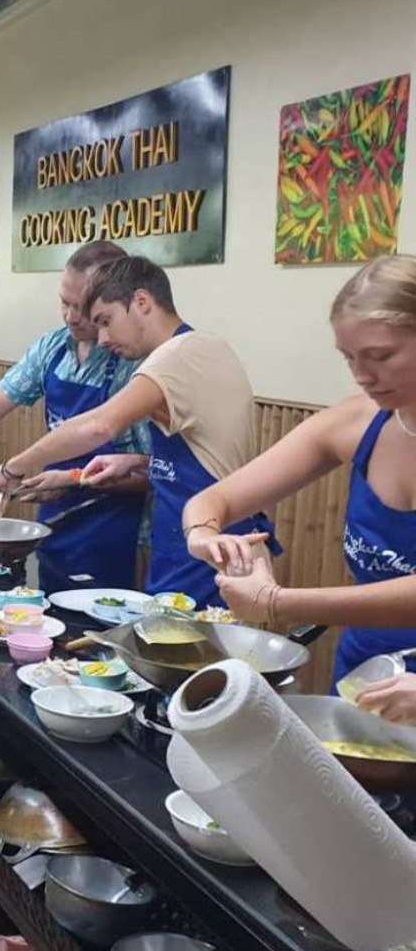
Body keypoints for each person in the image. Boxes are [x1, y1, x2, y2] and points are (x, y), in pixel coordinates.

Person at [0, 256, 277, 608]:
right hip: (187, 545)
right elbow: (207, 453)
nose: (101, 338)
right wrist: (135, 461)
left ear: (142, 302)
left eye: (106, 321)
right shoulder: (197, 351)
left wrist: (11, 470)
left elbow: (99, 424)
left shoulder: (180, 353)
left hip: (214, 553)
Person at [181, 256, 416, 697]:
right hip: (366, 676)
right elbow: (214, 501)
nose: (363, 376)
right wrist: (203, 535)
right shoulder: (357, 424)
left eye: (381, 356)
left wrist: (276, 602)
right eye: (349, 358)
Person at [0, 240, 149, 590]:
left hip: (114, 532)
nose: (70, 315)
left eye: (81, 306)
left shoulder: (135, 362)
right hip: (53, 520)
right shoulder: (53, 347)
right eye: (64, 302)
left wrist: (73, 479)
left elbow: (151, 470)